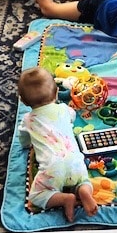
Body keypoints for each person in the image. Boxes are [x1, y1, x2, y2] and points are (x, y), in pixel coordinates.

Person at [17, 66, 98, 222]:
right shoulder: (64, 109)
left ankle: (64, 199)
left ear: (23, 101)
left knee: (36, 196)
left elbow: (24, 140)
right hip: (75, 161)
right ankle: (83, 190)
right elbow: (72, 117)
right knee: (84, 180)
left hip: (52, 168)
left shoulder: (28, 120)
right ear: (56, 93)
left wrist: (26, 144)